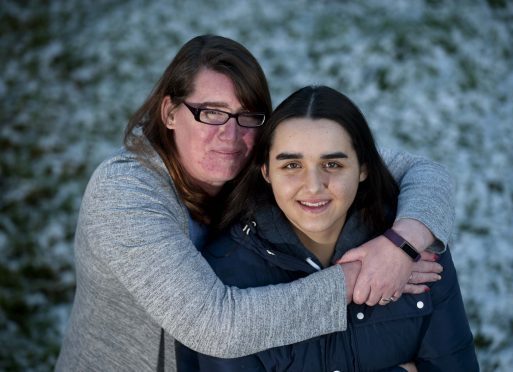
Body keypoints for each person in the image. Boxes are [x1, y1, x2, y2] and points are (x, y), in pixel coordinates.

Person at [56, 35, 454, 371]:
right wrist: (358, 278)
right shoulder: (124, 192)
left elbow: (423, 171)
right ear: (170, 112)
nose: (229, 135)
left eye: (247, 117)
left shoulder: (258, 162)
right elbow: (215, 324)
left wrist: (401, 243)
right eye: (211, 113)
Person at [180, 85, 478, 371]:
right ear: (266, 171)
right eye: (292, 166)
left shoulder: (414, 250)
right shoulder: (224, 276)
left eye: (332, 165)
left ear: (363, 168)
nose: (313, 186)